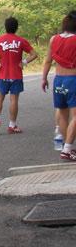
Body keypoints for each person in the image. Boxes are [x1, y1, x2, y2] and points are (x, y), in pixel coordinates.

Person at [0, 17, 38, 135]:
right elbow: (34, 54)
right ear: (16, 27)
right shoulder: (21, 41)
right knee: (14, 100)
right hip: (16, 75)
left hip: (2, 74)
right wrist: (23, 62)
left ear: (5, 27)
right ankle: (12, 125)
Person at [42, 10, 76, 161]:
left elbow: (48, 60)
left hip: (58, 80)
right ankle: (68, 149)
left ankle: (65, 146)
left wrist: (44, 78)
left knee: (62, 114)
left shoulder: (53, 39)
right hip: (73, 79)